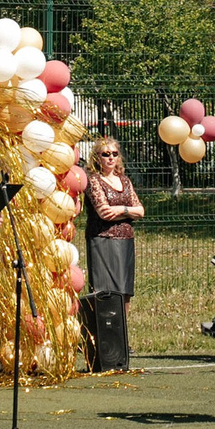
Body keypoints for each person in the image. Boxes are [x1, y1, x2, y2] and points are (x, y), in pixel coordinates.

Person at [81, 135, 144, 373]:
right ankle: (102, 346)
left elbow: (141, 210)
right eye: (105, 154)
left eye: (114, 154)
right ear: (97, 157)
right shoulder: (93, 180)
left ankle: (122, 343)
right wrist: (128, 211)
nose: (110, 158)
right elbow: (102, 212)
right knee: (103, 293)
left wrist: (122, 209)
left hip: (125, 239)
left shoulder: (124, 180)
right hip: (102, 239)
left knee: (124, 293)